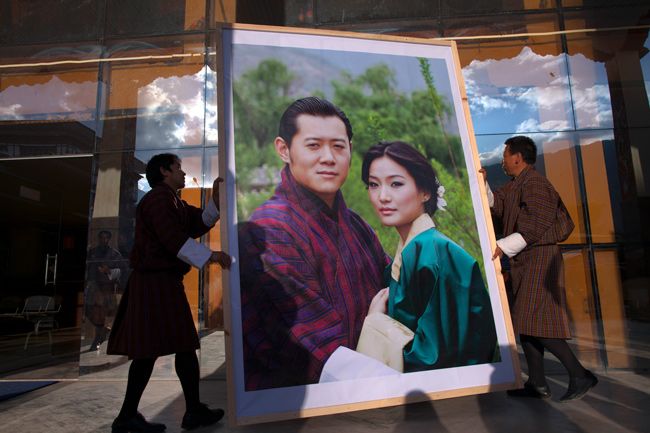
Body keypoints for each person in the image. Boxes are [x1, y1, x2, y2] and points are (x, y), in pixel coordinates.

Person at [239, 96, 389, 390]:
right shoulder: (269, 230)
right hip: (302, 400)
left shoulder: (357, 225)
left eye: (338, 146)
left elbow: (392, 286)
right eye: (313, 145)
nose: (329, 158)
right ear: (284, 149)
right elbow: (316, 345)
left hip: (368, 381)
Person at [107, 153, 232, 433]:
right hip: (154, 283)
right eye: (178, 167)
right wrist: (212, 256)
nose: (183, 172)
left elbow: (197, 221)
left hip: (160, 282)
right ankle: (130, 417)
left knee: (178, 346)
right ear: (164, 171)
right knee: (152, 351)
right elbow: (173, 239)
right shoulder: (158, 200)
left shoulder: (171, 200)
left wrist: (215, 201)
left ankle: (191, 410)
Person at [361, 141, 497, 372]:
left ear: (425, 192)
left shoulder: (436, 254)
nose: (382, 196)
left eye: (396, 184)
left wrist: (375, 322)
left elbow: (436, 356)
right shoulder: (412, 252)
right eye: (373, 185)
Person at [482, 135, 597, 402]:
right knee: (528, 322)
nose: (503, 160)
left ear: (517, 157)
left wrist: (503, 246)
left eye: (505, 155)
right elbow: (497, 205)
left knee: (535, 322)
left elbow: (535, 223)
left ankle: (579, 374)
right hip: (527, 259)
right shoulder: (517, 185)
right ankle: (537, 383)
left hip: (541, 259)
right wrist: (483, 182)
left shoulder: (535, 184)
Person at [85, 230, 124, 352]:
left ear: (109, 239)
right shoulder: (92, 252)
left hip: (107, 287)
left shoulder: (115, 254)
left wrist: (109, 271)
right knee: (90, 311)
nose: (104, 240)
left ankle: (100, 336)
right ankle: (102, 333)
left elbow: (122, 270)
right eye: (102, 237)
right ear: (98, 238)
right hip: (93, 286)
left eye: (106, 238)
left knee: (104, 312)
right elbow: (88, 269)